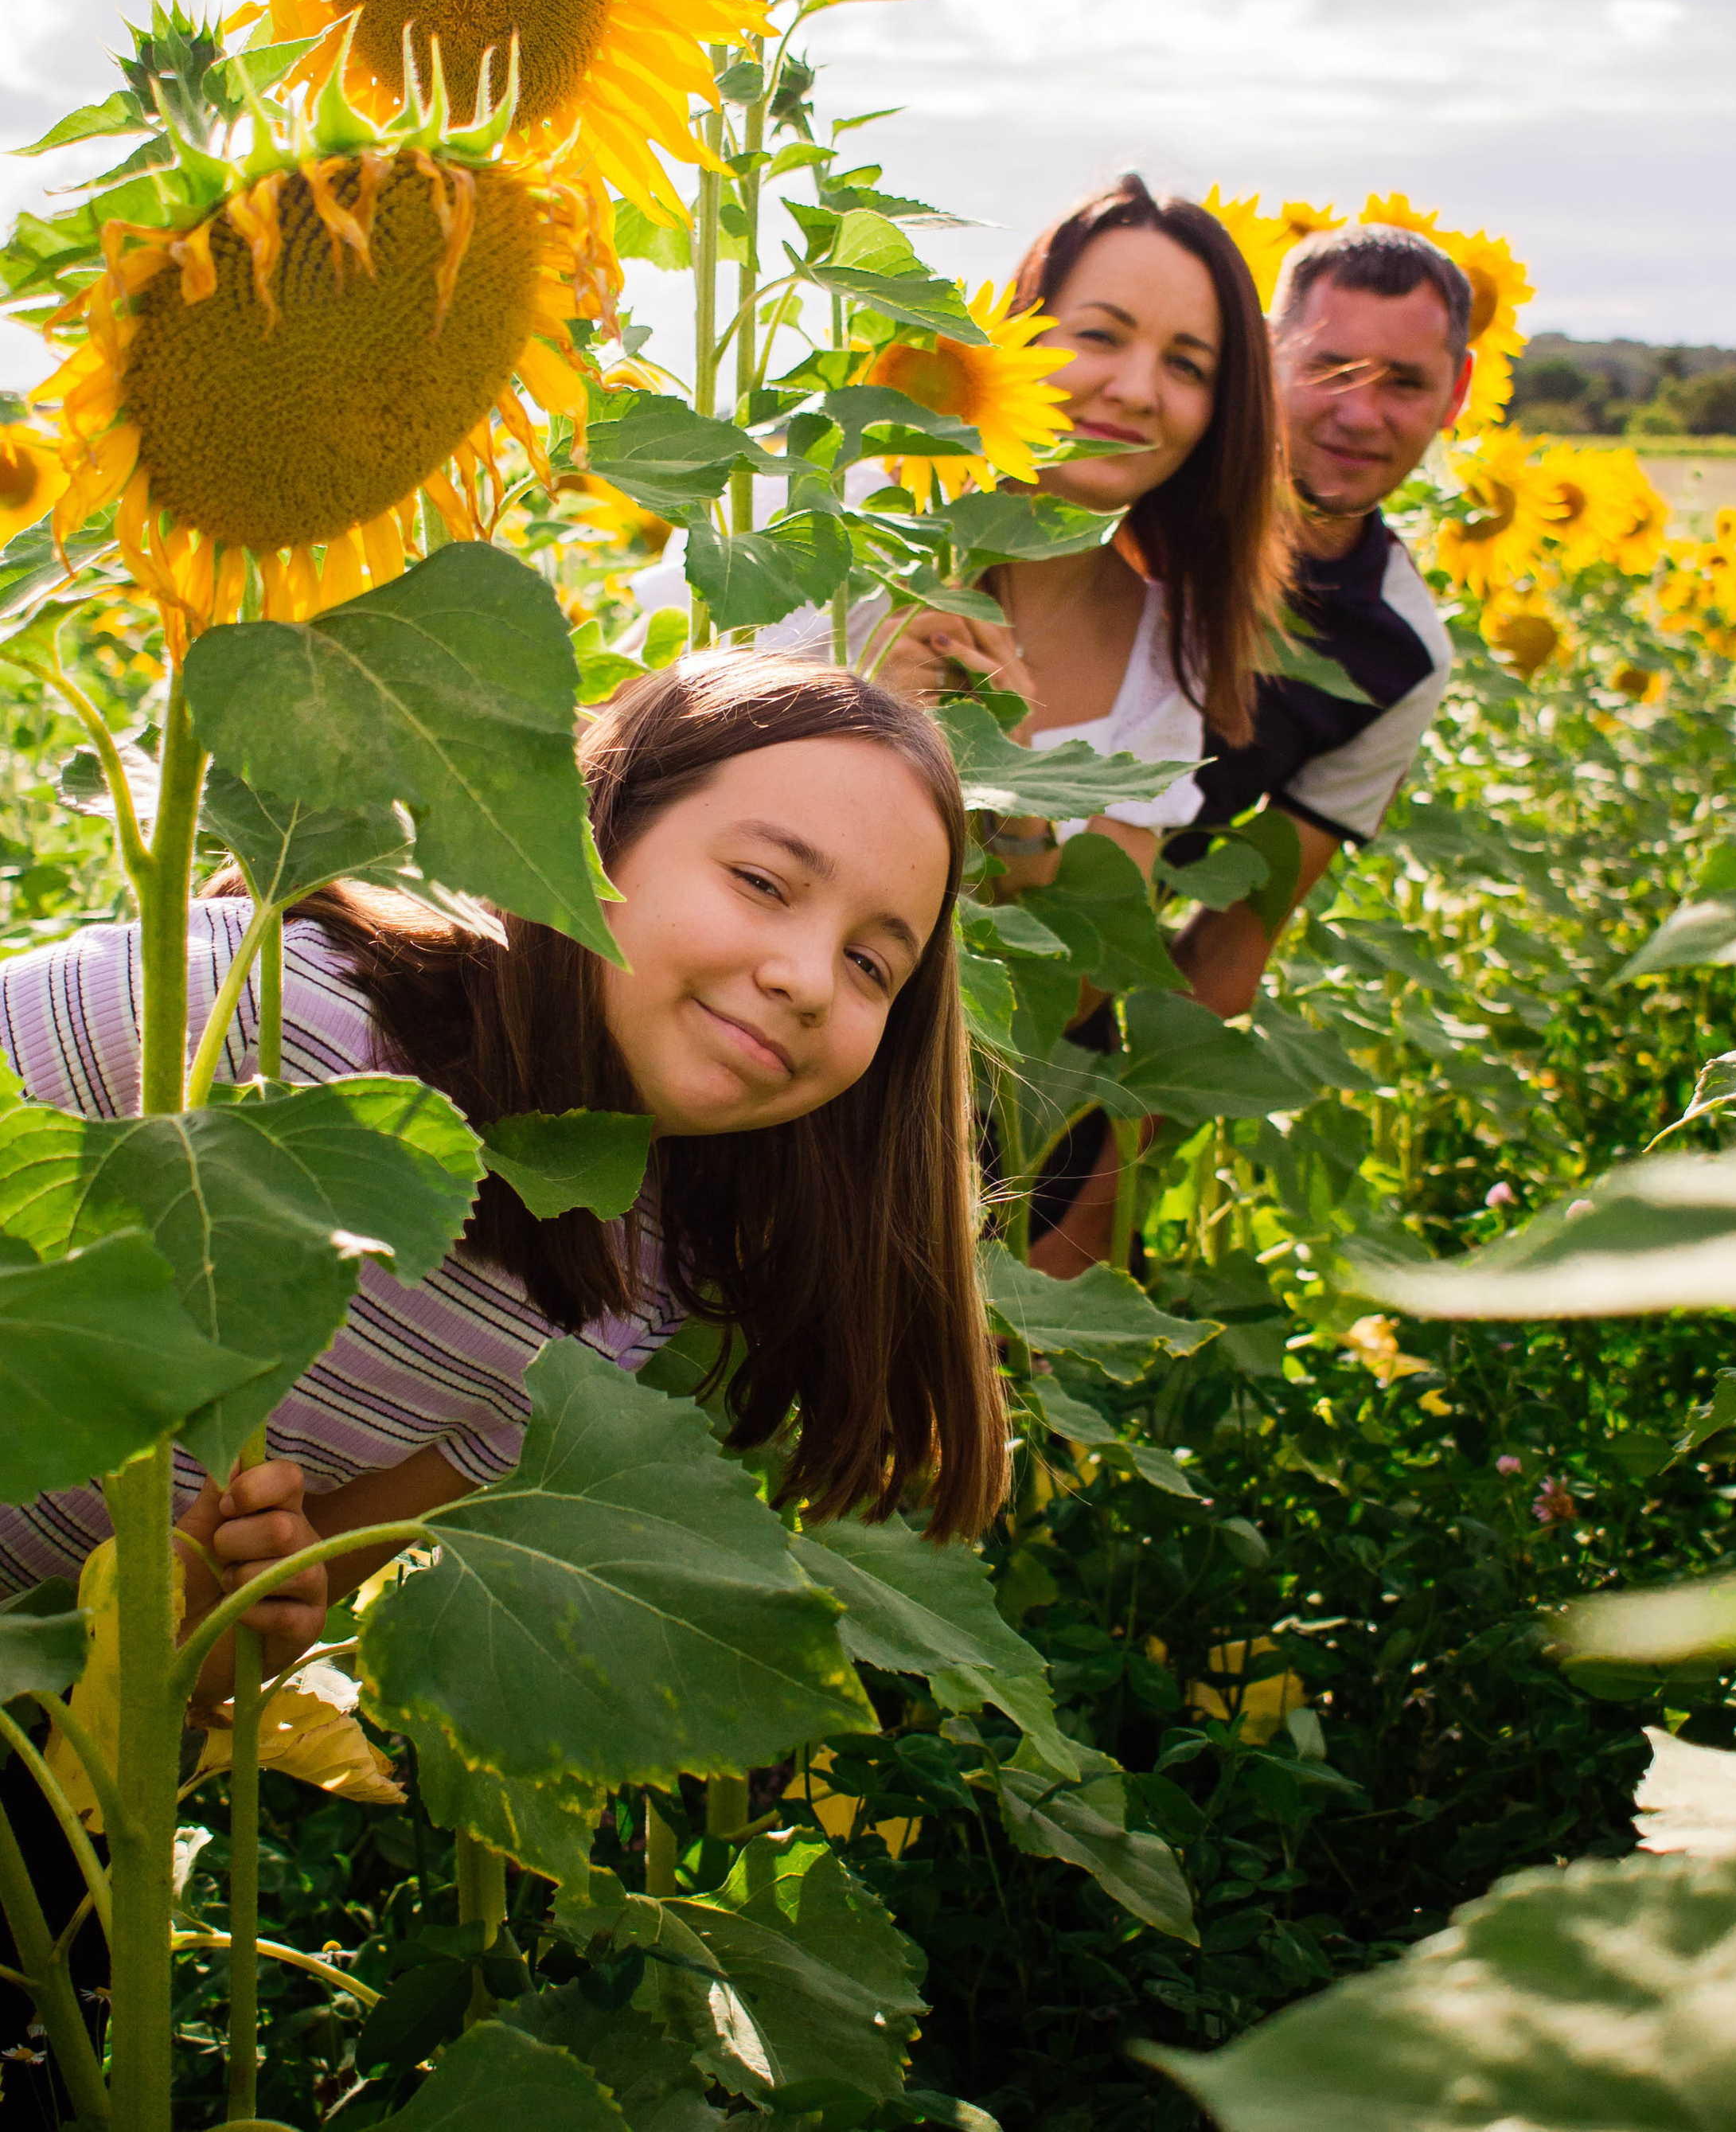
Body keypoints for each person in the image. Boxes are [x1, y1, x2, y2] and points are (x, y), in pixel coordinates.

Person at [0, 654, 1006, 1679]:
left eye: (870, 965)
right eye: (762, 883)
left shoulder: (634, 1281)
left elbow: (219, 1650)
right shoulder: (269, 1006)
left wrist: (257, 1600)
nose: (803, 979)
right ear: (591, 831)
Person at [751, 174, 1286, 1273]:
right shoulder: (847, 522)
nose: (1136, 389)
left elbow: (1082, 981)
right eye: (1102, 335)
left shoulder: (1163, 652)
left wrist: (1006, 780)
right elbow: (628, 759)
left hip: (960, 1147)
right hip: (746, 1065)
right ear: (1020, 336)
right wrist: (847, 693)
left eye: (1189, 365)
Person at [1173, 223, 1472, 1019]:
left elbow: (1229, 950)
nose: (1358, 414)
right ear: (1267, 354)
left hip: (1056, 1033)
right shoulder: (1142, 491)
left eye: (1403, 383)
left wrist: (1111, 1137)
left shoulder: (1398, 656)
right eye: (1329, 368)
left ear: (1458, 392)